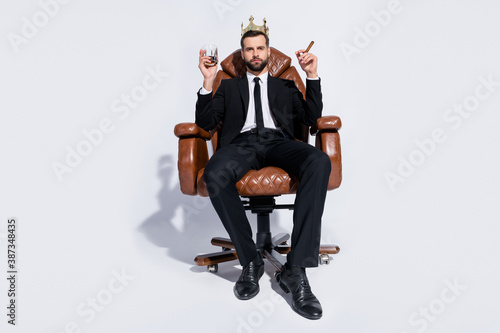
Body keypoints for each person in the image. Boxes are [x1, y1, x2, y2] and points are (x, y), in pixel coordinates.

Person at [195, 29, 331, 320]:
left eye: (260, 48)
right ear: (243, 55)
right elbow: (205, 123)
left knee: (318, 161)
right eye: (249, 49)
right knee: (216, 172)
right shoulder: (228, 87)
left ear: (268, 52)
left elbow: (311, 119)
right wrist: (207, 82)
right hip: (241, 145)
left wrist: (312, 75)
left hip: (278, 143)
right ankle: (251, 260)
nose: (255, 53)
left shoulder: (285, 86)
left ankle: (295, 270)